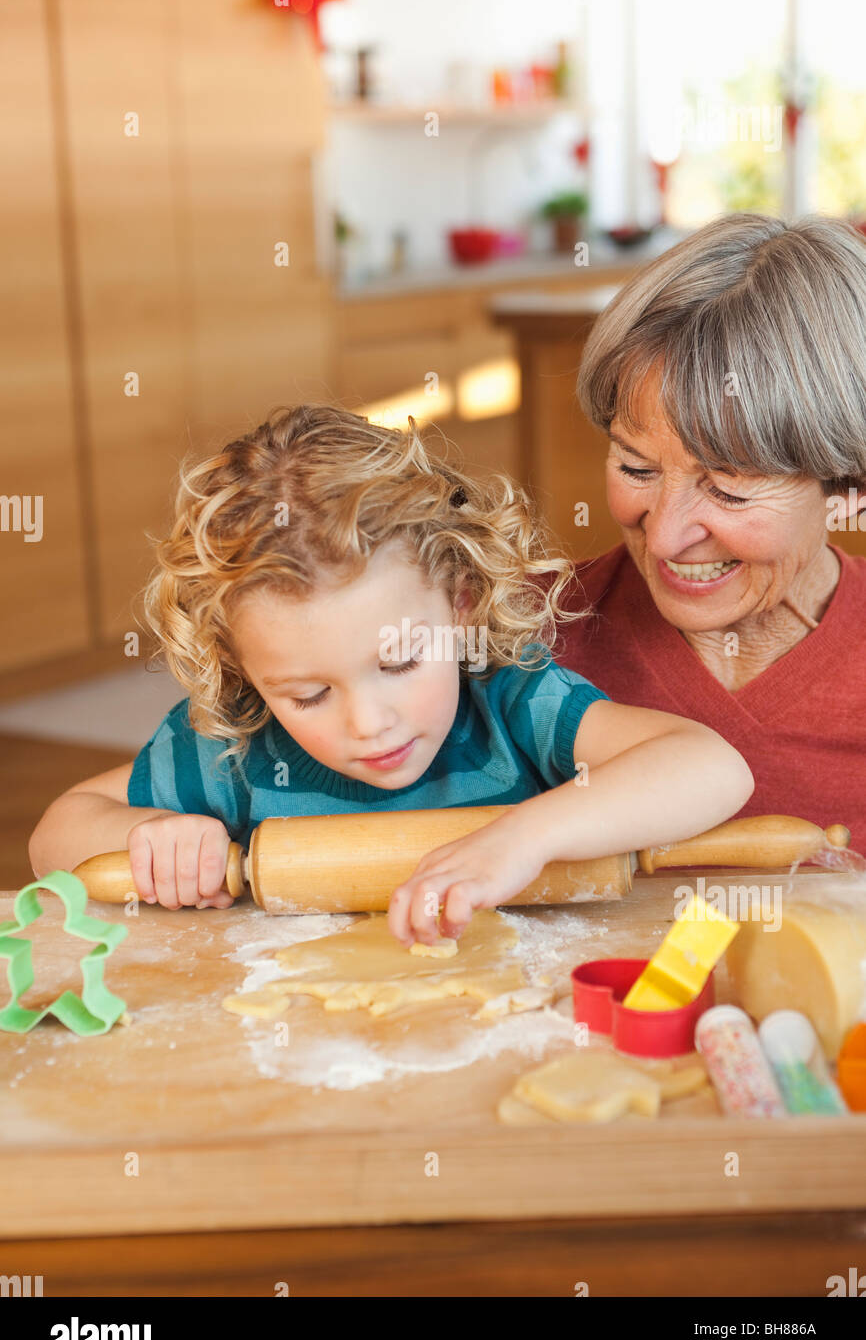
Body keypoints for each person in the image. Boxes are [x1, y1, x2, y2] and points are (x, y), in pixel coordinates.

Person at [29, 406, 753, 943]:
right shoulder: (241, 749)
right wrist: (158, 834)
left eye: (401, 662)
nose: (368, 723)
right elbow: (58, 832)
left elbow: (711, 768)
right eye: (308, 694)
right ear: (243, 671)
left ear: (462, 606)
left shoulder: (510, 704)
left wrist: (520, 838)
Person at [556, 213, 866, 854]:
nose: (665, 537)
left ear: (847, 486)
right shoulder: (514, 639)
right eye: (635, 468)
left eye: (728, 489)